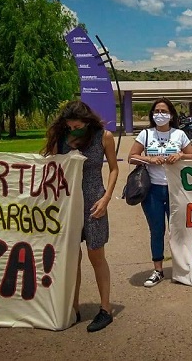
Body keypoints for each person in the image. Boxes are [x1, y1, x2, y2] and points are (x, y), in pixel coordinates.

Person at [43, 100, 119, 332]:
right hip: (68, 203)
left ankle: (105, 309)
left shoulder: (103, 136)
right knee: (72, 258)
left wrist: (106, 198)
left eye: (77, 124)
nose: (74, 128)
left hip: (94, 200)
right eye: (70, 125)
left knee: (96, 255)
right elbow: (51, 167)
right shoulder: (60, 138)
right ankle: (73, 307)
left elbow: (114, 169)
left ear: (87, 121)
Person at [127, 97, 192, 287]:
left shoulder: (179, 134)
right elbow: (131, 157)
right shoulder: (145, 134)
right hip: (152, 191)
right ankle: (158, 269)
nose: (160, 115)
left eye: (164, 111)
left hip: (175, 190)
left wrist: (180, 155)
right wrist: (149, 159)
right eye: (156, 111)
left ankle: (181, 267)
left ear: (171, 115)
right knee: (157, 230)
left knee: (178, 230)